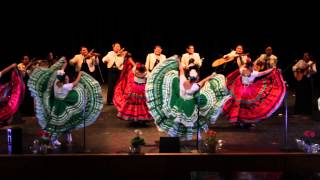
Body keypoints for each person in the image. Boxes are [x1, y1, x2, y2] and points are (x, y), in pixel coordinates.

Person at [145, 56, 230, 140]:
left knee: (176, 120)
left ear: (189, 77)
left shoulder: (182, 80)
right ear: (195, 78)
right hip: (190, 105)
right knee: (192, 121)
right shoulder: (195, 86)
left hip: (180, 103)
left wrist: (178, 61)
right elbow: (204, 81)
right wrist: (211, 76)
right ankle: (194, 135)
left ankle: (172, 134)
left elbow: (181, 70)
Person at [28, 57, 103, 146]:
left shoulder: (55, 82)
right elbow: (75, 83)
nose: (67, 78)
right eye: (66, 78)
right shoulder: (66, 86)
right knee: (62, 123)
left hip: (55, 104)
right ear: (64, 80)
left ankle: (62, 136)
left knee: (61, 122)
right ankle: (55, 138)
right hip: (62, 107)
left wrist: (64, 64)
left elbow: (60, 72)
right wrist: (80, 74)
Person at [223, 61, 286, 127]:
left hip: (249, 89)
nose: (255, 67)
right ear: (250, 67)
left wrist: (272, 69)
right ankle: (239, 121)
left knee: (248, 107)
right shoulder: (243, 70)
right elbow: (237, 75)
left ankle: (246, 121)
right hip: (241, 90)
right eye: (253, 66)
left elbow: (263, 73)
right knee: (240, 106)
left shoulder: (253, 73)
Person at [113, 54, 153, 124]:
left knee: (133, 104)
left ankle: (134, 118)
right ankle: (142, 118)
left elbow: (134, 66)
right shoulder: (146, 74)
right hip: (142, 89)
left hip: (134, 89)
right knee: (142, 104)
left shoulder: (135, 71)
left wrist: (130, 60)